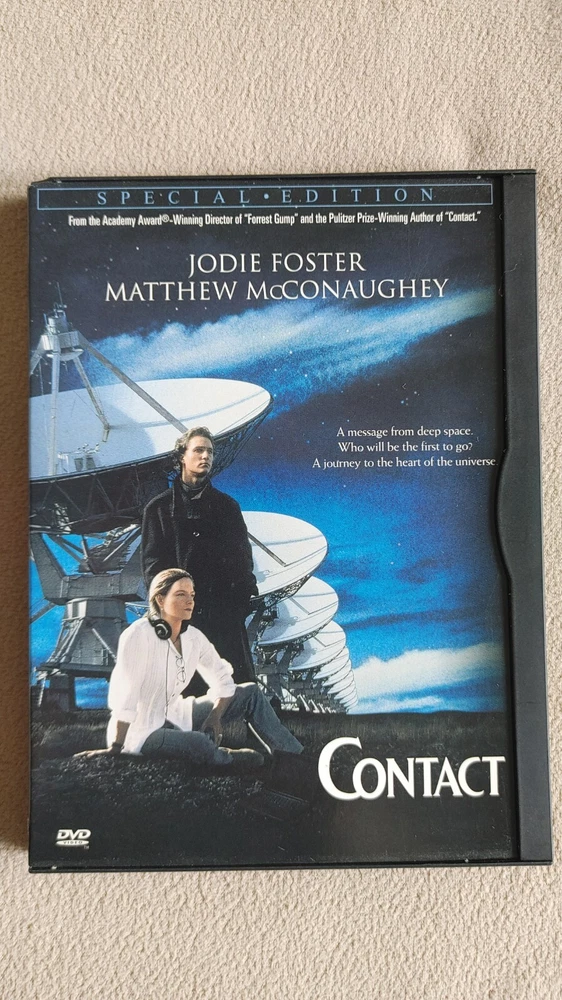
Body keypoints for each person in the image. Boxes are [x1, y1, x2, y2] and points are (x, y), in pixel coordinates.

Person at [77, 568, 303, 768]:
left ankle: (293, 756)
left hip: (179, 714)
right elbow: (125, 696)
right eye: (180, 595)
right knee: (199, 743)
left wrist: (215, 716)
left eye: (192, 595)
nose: (189, 601)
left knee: (251, 693)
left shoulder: (193, 637)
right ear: (160, 599)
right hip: (141, 732)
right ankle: (225, 758)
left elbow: (223, 681)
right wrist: (116, 747)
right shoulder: (138, 635)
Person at [141, 427, 258, 686]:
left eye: (210, 452)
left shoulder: (228, 508)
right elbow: (153, 567)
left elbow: (242, 562)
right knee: (183, 693)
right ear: (181, 457)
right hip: (181, 619)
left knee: (232, 690)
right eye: (198, 450)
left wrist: (237, 605)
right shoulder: (158, 510)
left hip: (223, 619)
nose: (206, 456)